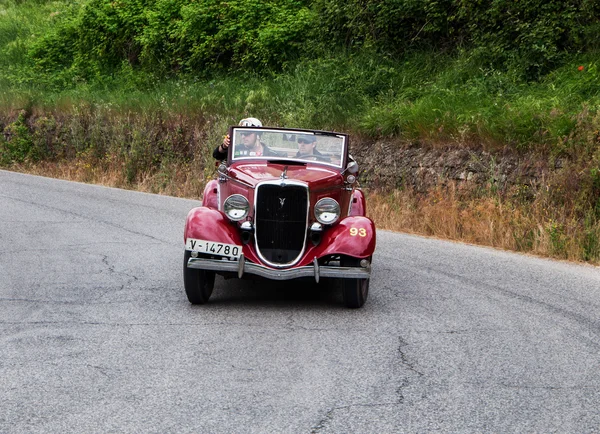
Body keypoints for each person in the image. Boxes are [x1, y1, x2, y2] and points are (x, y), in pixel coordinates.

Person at [213, 117, 281, 160]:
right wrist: (224, 146)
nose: (243, 137)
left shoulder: (271, 154)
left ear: (258, 135)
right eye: (242, 134)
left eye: (247, 134)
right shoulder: (237, 150)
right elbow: (217, 155)